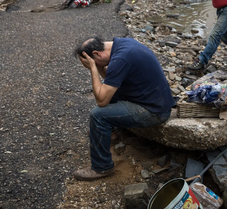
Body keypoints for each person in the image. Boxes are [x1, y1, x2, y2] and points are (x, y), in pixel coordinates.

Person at [73, 36, 174, 181]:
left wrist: (94, 69)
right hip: (153, 99)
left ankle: (102, 167)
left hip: (154, 111)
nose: (92, 65)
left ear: (96, 54)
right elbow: (111, 80)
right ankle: (110, 132)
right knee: (110, 90)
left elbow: (101, 101)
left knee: (97, 115)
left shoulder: (120, 59)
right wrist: (99, 66)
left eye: (92, 62)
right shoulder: (122, 44)